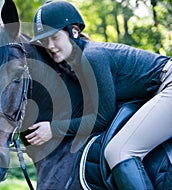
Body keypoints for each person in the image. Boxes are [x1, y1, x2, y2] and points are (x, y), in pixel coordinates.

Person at [27, 1, 172, 189]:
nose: (50, 45)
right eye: (44, 41)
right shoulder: (80, 62)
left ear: (74, 31)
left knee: (119, 152)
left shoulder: (92, 57)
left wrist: (53, 129)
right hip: (162, 88)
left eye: (54, 37)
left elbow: (102, 119)